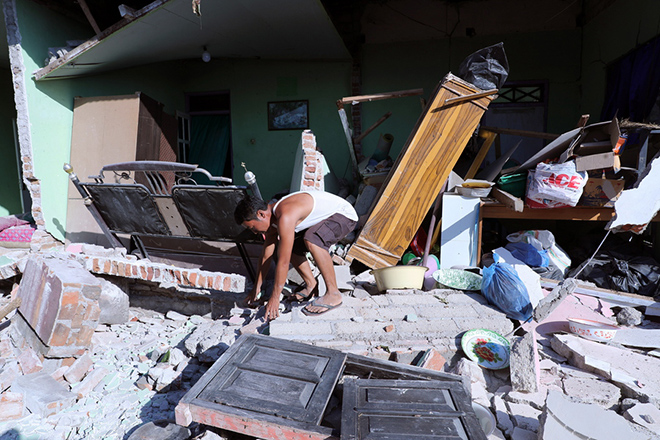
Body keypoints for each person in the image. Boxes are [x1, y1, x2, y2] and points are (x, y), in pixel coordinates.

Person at [234, 190, 358, 321]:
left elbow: (283, 261)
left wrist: (275, 298)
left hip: (344, 216)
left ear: (261, 214)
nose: (254, 233)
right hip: (328, 218)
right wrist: (256, 288)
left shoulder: (285, 215)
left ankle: (333, 294)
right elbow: (266, 256)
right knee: (293, 247)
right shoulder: (273, 220)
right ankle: (311, 285)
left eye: (252, 228)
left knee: (312, 239)